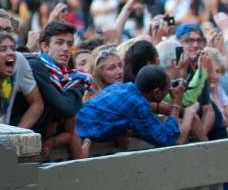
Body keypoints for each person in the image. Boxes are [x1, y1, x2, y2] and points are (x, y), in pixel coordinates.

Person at [77, 65, 193, 147]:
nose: (169, 91)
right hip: (79, 141)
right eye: (167, 89)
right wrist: (176, 105)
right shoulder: (138, 105)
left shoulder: (122, 87)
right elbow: (166, 139)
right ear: (156, 92)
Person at [24, 21, 92, 158]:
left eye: (69, 44)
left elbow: (68, 114)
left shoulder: (75, 79)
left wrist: (53, 141)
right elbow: (64, 107)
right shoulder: (32, 66)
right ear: (44, 46)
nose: (66, 48)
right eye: (59, 43)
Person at [0, 33, 44, 127]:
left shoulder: (18, 60)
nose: (10, 53)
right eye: (3, 49)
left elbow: (37, 104)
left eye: (13, 48)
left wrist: (16, 136)